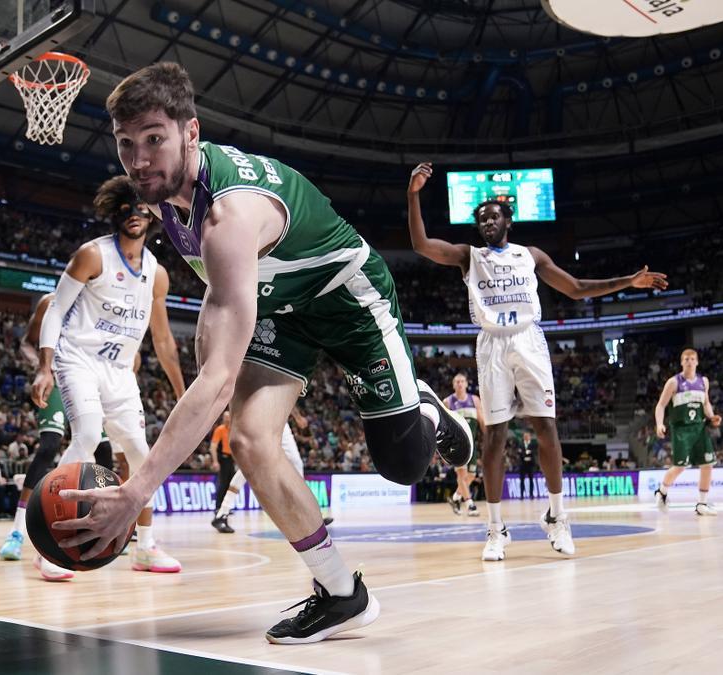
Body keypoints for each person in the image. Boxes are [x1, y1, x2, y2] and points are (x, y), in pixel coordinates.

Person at [50, 63, 472, 645]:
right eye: (127, 144)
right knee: (249, 439)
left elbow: (219, 377)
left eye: (154, 139)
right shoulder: (164, 199)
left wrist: (137, 490)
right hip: (280, 308)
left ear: (190, 132)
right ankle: (342, 592)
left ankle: (426, 411)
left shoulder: (229, 214)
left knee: (402, 466)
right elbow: (222, 298)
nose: (139, 158)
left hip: (346, 296)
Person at [405, 161, 667, 562]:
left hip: (529, 342)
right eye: (481, 219)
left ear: (507, 221)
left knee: (546, 428)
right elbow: (422, 244)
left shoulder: (531, 256)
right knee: (495, 438)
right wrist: (414, 194)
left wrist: (627, 282)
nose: (486, 222)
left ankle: (558, 518)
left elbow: (577, 289)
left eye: (493, 216)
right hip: (492, 346)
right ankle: (495, 529)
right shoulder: (468, 257)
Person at [31, 174, 188, 578]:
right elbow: (55, 309)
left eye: (140, 208)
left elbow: (164, 340)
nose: (133, 215)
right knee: (85, 435)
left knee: (142, 454)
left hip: (120, 371)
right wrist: (44, 366)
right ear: (113, 213)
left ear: (152, 214)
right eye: (125, 208)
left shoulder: (157, 273)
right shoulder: (92, 254)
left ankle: (146, 548)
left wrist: (184, 394)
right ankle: (48, 544)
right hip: (78, 359)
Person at [0, 292, 119, 579]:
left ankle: (101, 524)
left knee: (104, 452)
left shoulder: (105, 307)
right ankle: (17, 531)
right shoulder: (49, 302)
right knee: (48, 447)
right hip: (59, 378)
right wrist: (43, 366)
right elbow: (28, 343)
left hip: (87, 382)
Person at [212, 409, 333, 533]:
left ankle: (310, 515)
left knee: (297, 464)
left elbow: (286, 395)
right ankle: (223, 512)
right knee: (248, 467)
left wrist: (297, 416)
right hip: (262, 419)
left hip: (279, 421)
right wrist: (297, 416)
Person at [653, 349, 722, 515]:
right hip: (681, 430)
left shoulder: (703, 381)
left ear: (697, 362)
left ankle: (702, 504)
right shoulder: (674, 382)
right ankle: (662, 491)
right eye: (686, 359)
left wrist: (712, 417)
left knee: (707, 465)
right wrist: (659, 424)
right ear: (681, 362)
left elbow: (706, 403)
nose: (690, 361)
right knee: (680, 467)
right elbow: (661, 405)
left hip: (700, 428)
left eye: (692, 359)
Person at [443, 373, 485, 516]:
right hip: (457, 445)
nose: (460, 384)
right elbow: (444, 426)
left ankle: (456, 498)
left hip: (472, 444)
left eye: (462, 381)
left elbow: (482, 421)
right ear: (453, 385)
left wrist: (489, 438)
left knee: (471, 476)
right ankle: (470, 505)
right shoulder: (448, 402)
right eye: (457, 382)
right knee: (462, 474)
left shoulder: (475, 400)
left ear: (466, 384)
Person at [209, 410, 235, 532]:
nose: (227, 419)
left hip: (232, 460)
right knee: (223, 485)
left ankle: (225, 509)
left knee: (230, 486)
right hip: (223, 459)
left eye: (228, 417)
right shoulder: (220, 429)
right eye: (225, 417)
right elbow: (213, 447)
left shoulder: (234, 429)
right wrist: (215, 461)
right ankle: (219, 508)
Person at [517, 430, 538, 501]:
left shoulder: (533, 444)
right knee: (522, 480)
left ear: (530, 437)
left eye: (527, 436)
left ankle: (531, 495)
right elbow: (520, 453)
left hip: (530, 465)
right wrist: (526, 453)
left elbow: (534, 453)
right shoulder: (520, 444)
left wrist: (528, 453)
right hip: (523, 465)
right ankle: (521, 495)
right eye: (525, 436)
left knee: (531, 480)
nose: (526, 437)